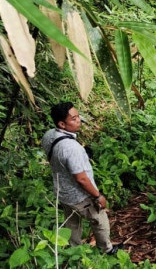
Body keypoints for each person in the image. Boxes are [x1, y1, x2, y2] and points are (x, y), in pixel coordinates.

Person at [41, 103, 123, 255]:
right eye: (74, 118)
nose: (79, 120)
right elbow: (82, 179)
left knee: (72, 224)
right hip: (80, 196)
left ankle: (73, 253)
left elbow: (59, 158)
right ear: (62, 123)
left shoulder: (49, 135)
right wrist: (98, 196)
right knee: (100, 219)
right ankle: (107, 250)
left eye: (78, 116)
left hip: (63, 193)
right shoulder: (72, 148)